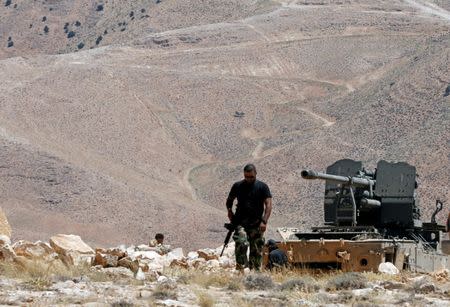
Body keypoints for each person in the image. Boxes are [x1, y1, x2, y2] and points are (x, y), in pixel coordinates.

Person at [226, 163, 272, 271]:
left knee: (256, 249)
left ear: (256, 173)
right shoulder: (237, 186)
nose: (249, 179)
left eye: (251, 177)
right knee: (241, 242)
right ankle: (242, 269)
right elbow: (229, 200)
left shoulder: (262, 187)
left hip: (256, 223)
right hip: (240, 222)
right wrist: (229, 211)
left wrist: (264, 221)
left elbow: (268, 205)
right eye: (246, 176)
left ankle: (254, 274)